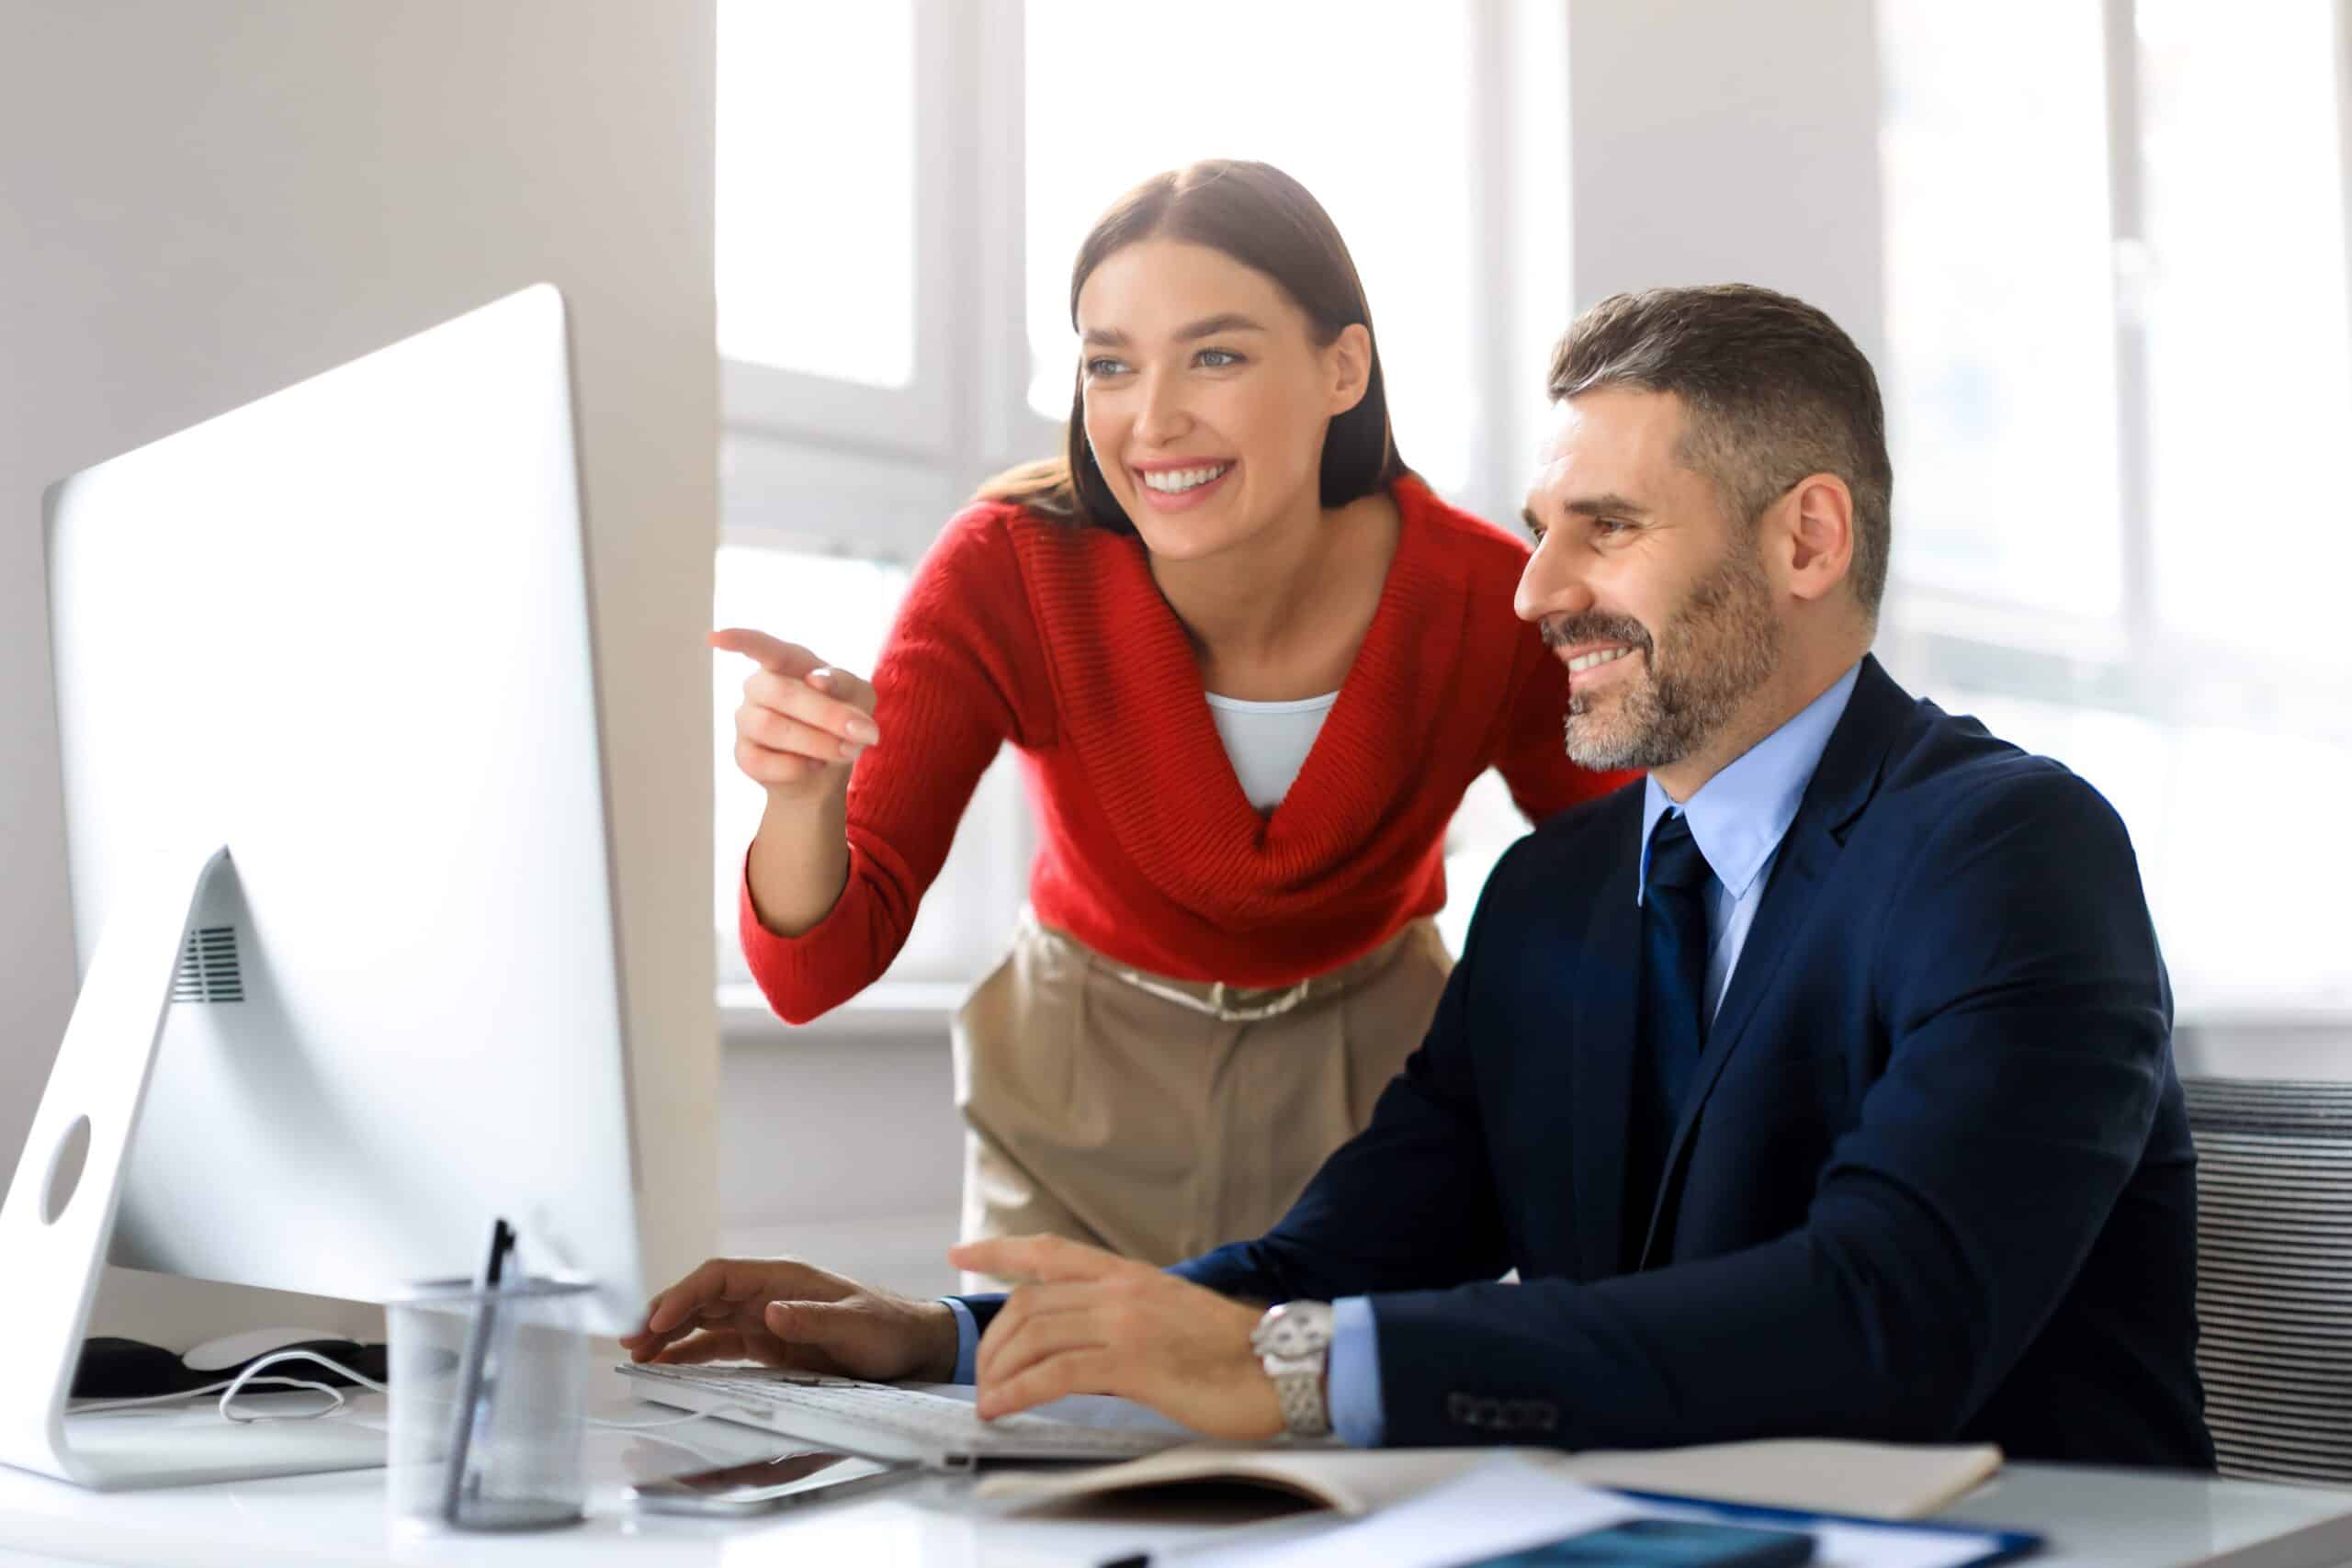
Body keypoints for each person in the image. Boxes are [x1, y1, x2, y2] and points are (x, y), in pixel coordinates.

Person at [632, 283, 2212, 1471]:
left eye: (1605, 528)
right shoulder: (1553, 895)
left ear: (1807, 541)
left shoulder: (2013, 851)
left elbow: (1886, 1316)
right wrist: (953, 1339)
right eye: (1538, 529)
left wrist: (1295, 1369)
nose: (1534, 592)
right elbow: (1336, 1257)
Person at [710, 160, 1631, 1278]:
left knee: (1345, 1397)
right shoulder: (1008, 570)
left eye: (1216, 356)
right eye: (1110, 365)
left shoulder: (1492, 599)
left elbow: (1641, 885)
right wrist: (803, 797)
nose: (1152, 421)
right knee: (1047, 1397)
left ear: (1342, 368)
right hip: (1074, 1102)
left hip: (1380, 1114)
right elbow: (811, 976)